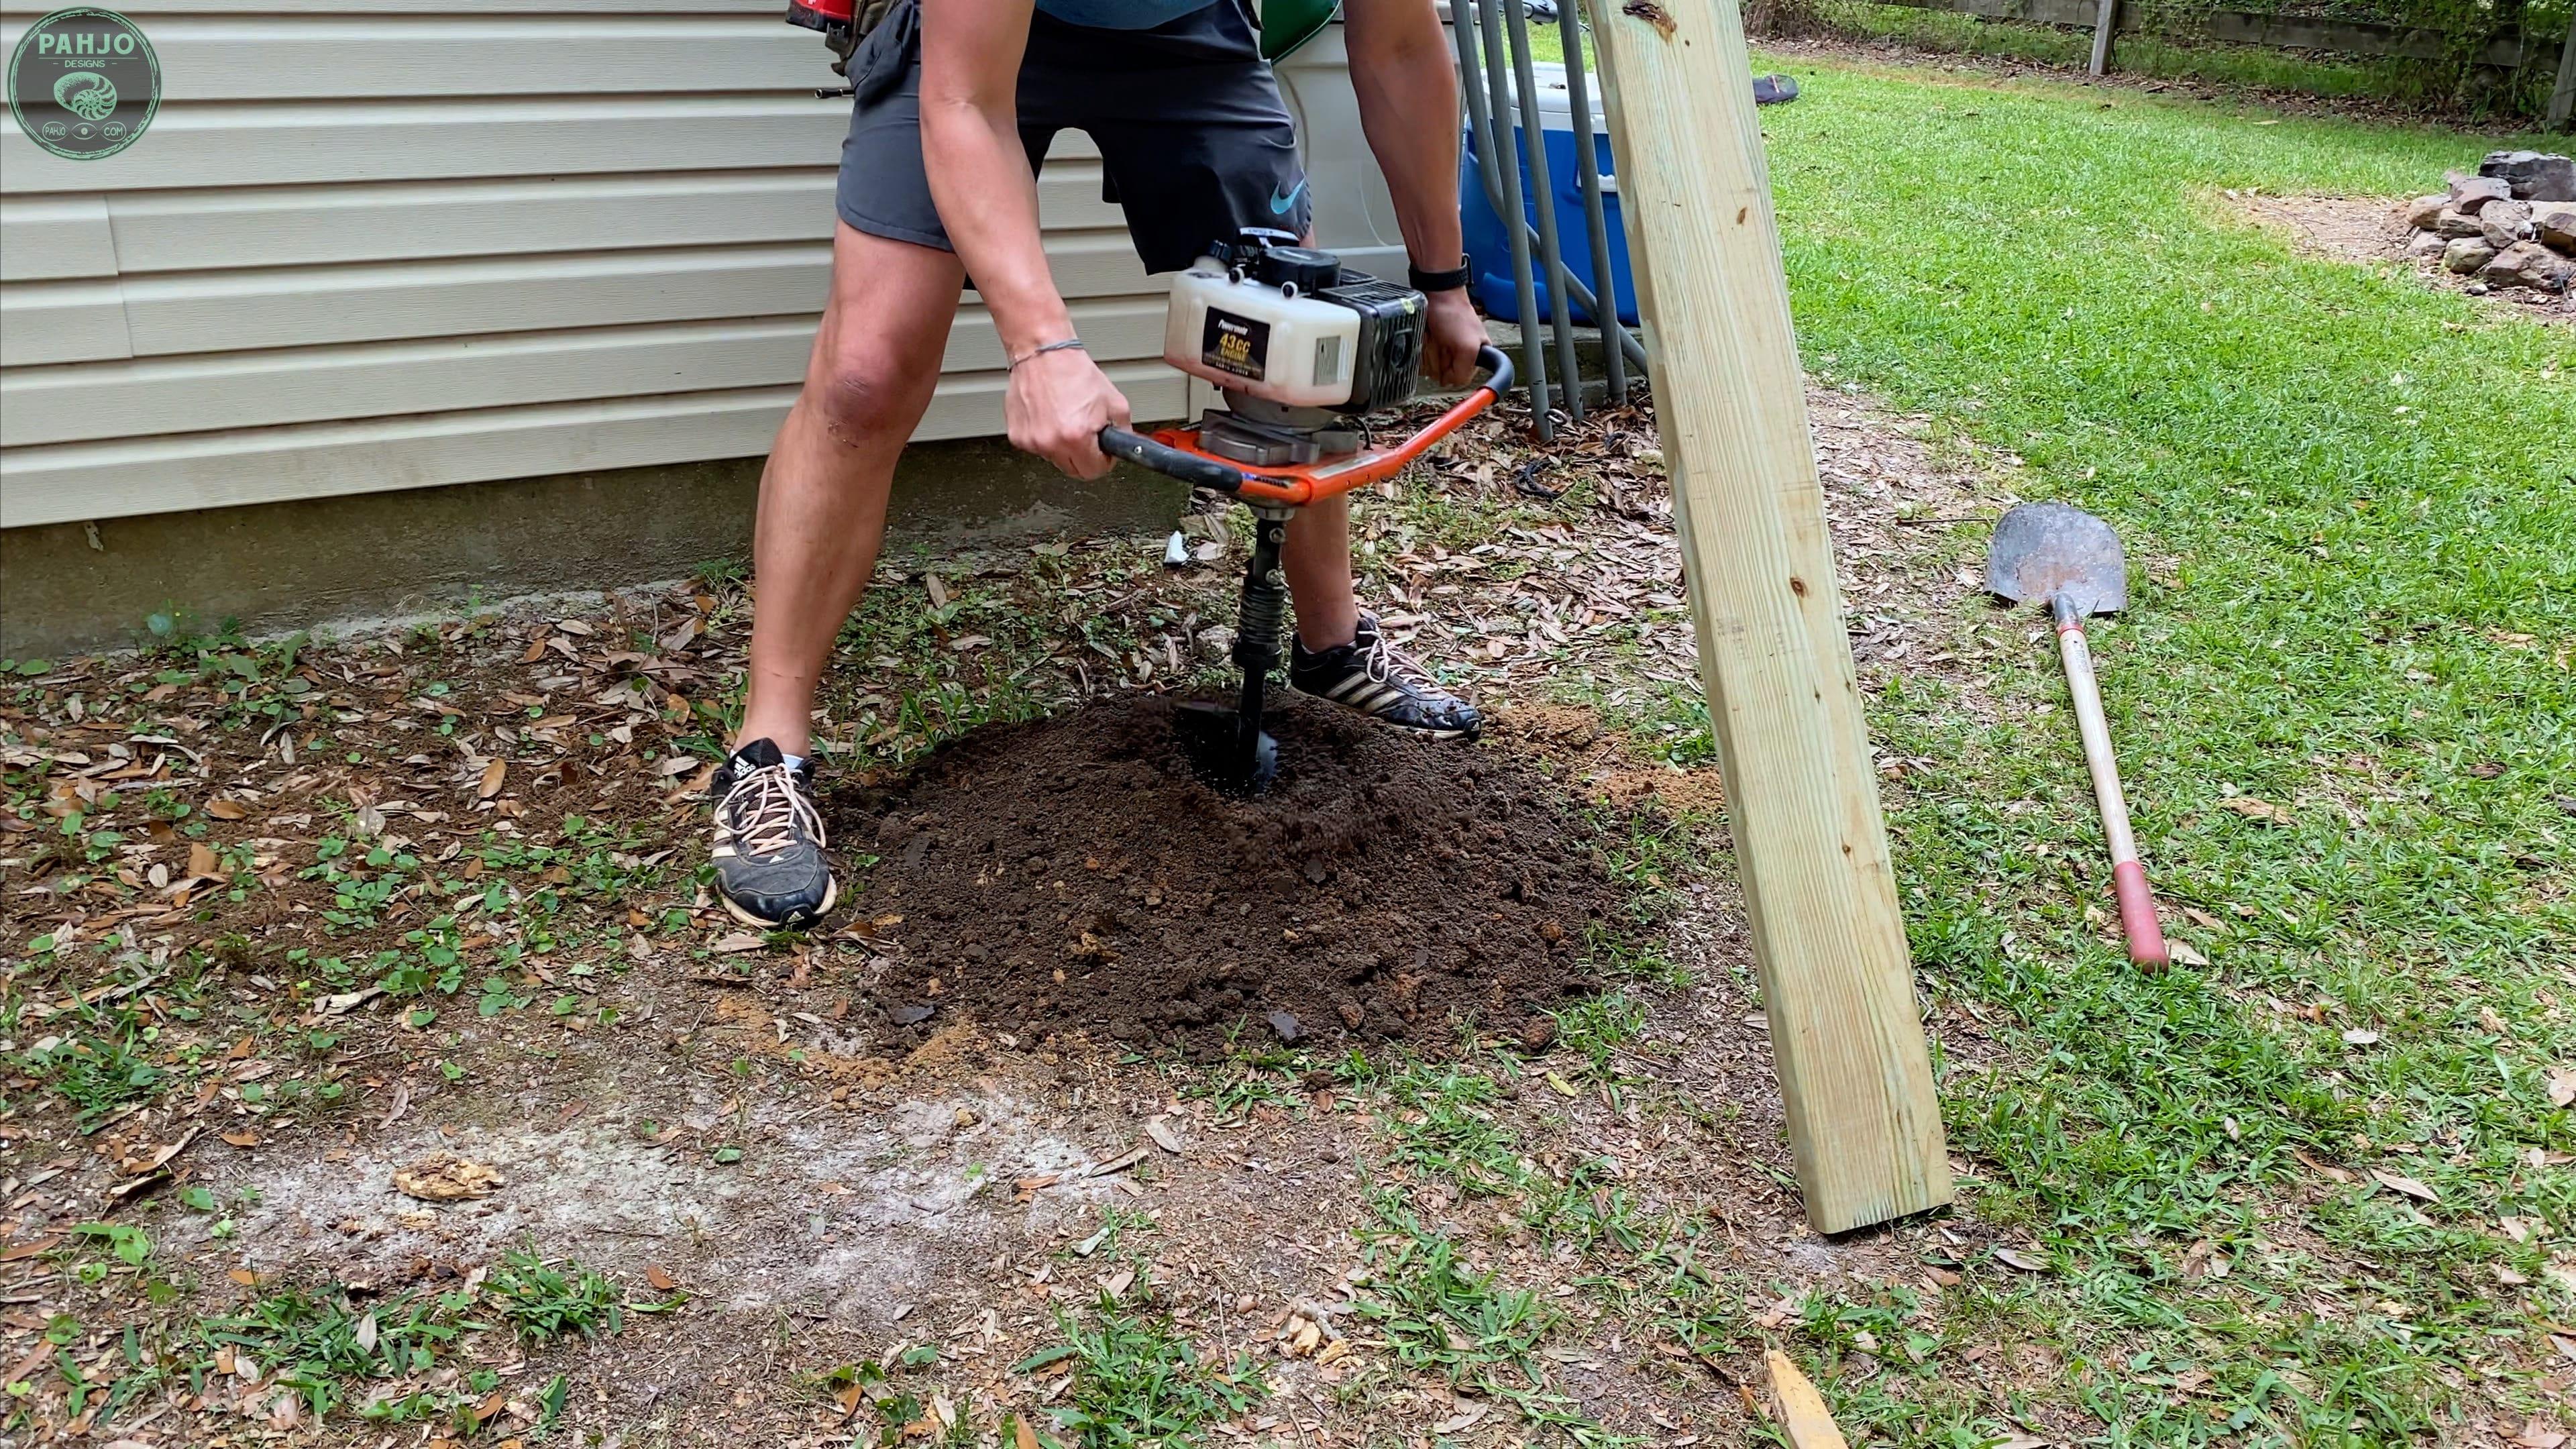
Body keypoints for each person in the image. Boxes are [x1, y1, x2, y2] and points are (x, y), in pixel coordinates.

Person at [708, 0, 1493, 928]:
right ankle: (767, 750)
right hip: (967, 44)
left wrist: (1443, 284)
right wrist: (1041, 348)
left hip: (1187, 25)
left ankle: (1329, 647)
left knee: (1300, 337)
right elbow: (964, 101)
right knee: (865, 378)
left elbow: (1400, 46)